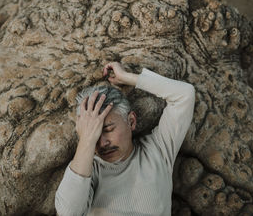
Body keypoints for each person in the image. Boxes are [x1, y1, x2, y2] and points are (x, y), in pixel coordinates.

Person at [55, 62, 195, 216]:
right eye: (93, 133)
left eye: (108, 129)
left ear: (131, 121)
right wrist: (86, 140)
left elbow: (185, 95)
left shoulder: (158, 149)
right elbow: (67, 212)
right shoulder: (87, 171)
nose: (102, 143)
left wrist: (127, 78)